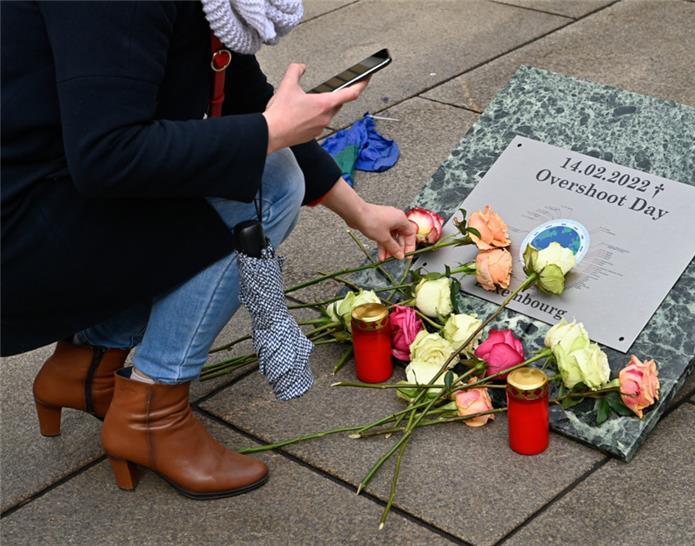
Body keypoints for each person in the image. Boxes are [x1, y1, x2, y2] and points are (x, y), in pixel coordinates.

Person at [0, 0, 416, 500]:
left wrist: (360, 211)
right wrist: (271, 133)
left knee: (258, 164)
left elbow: (244, 95)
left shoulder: (216, 5)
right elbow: (106, 156)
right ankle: (152, 412)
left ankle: (86, 365)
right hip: (18, 235)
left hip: (50, 194)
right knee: (270, 181)